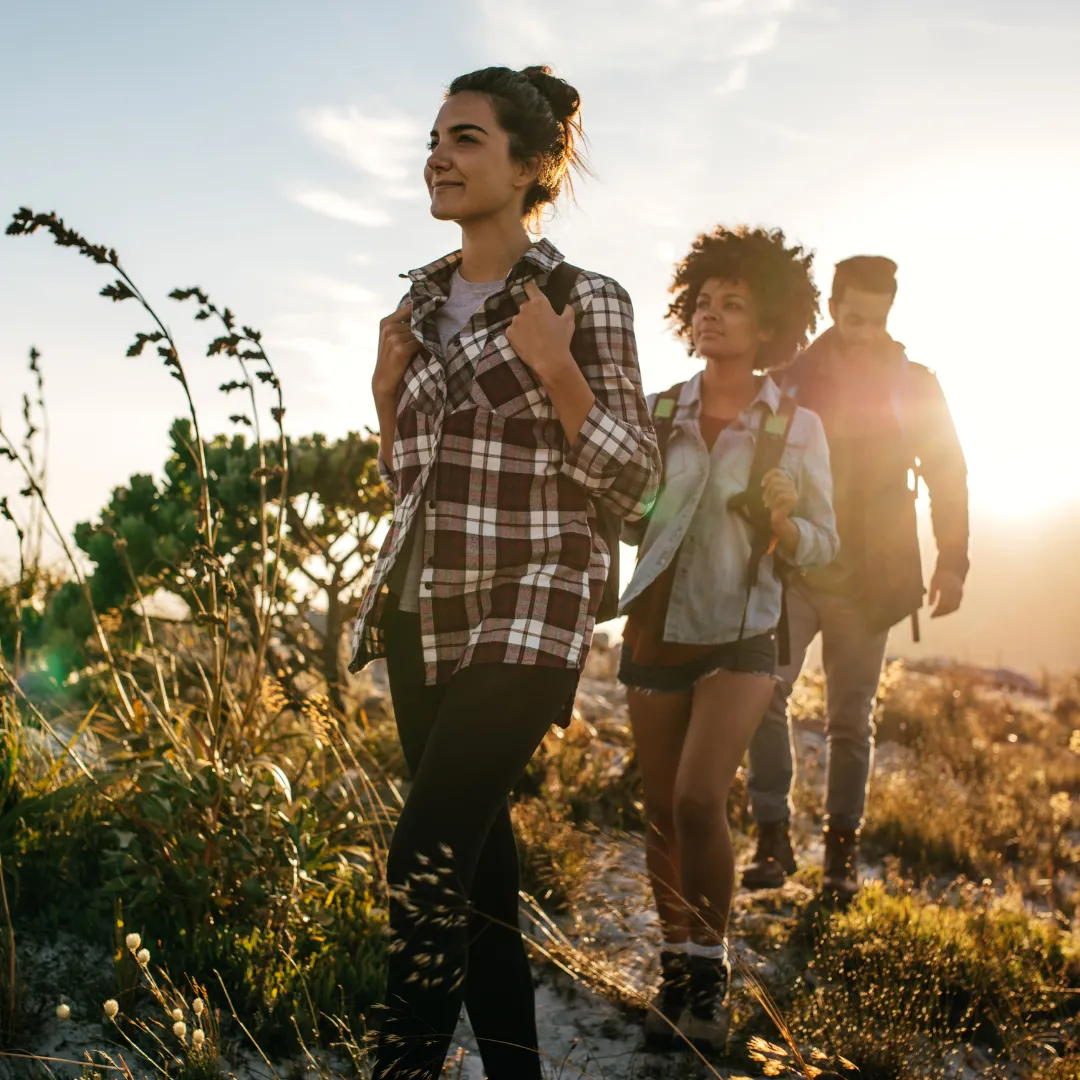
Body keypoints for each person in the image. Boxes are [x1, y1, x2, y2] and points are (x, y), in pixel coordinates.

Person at [347, 65, 661, 1080]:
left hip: (536, 599)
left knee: (424, 849)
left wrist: (559, 370)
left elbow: (639, 483)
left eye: (467, 138)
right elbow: (411, 480)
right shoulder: (419, 301)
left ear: (532, 166)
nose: (438, 154)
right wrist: (387, 397)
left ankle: (402, 1066)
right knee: (476, 865)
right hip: (423, 604)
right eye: (435, 137)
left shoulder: (583, 298)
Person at [619, 226, 838, 1051]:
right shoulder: (660, 411)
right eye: (704, 302)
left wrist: (786, 523)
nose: (712, 316)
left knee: (697, 798)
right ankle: (673, 972)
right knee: (657, 810)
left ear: (771, 326)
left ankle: (708, 987)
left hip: (743, 632)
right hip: (654, 625)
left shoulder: (798, 428)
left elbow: (827, 541)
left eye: (734, 305)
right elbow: (630, 513)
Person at [743, 255, 970, 899]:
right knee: (762, 694)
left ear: (890, 313)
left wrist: (952, 561)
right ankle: (771, 835)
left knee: (850, 720)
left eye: (876, 319)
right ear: (835, 305)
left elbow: (949, 470)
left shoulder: (915, 384)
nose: (864, 329)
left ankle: (840, 855)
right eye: (852, 316)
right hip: (791, 564)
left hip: (874, 580)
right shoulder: (792, 376)